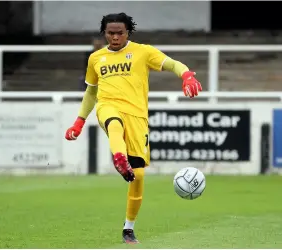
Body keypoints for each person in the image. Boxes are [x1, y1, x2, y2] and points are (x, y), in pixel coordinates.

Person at [65, 12, 202, 244]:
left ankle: (128, 228)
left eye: (120, 32)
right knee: (113, 123)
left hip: (138, 117)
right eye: (110, 33)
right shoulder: (96, 58)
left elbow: (172, 64)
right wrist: (79, 121)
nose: (115, 37)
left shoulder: (143, 52)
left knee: (137, 175)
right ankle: (119, 156)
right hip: (108, 106)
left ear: (128, 32)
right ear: (104, 33)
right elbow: (91, 92)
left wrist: (186, 75)